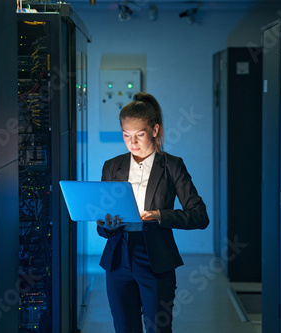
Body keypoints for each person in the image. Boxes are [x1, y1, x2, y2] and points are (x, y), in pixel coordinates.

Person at [96, 92, 209, 333]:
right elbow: (101, 227)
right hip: (118, 258)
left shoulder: (171, 166)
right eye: (126, 136)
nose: (132, 142)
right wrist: (108, 223)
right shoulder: (112, 166)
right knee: (124, 328)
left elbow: (200, 215)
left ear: (155, 130)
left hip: (155, 257)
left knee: (158, 329)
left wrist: (160, 215)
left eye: (140, 135)